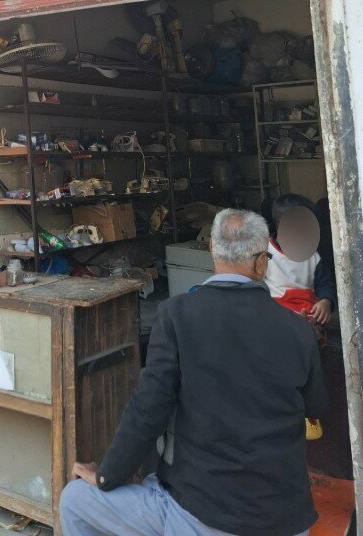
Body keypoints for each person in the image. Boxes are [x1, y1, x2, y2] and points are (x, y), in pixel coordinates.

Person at [59, 208, 328, 536]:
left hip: (201, 516)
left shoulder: (176, 315)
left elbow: (148, 410)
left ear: (212, 252)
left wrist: (106, 476)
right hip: (286, 519)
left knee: (74, 499)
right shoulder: (298, 331)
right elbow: (316, 407)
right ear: (261, 263)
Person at [266, 194, 335, 325]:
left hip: (309, 317)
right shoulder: (265, 251)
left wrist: (326, 301)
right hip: (276, 317)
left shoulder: (314, 257)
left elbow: (325, 284)